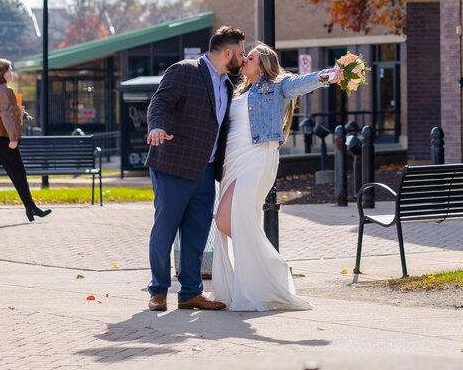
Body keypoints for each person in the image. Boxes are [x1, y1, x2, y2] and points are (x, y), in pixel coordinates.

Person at [211, 42, 340, 311]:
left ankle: (274, 269)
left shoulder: (277, 86)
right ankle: (262, 273)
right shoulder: (236, 90)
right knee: (225, 220)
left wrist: (329, 74)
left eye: (251, 57)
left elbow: (303, 82)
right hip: (233, 161)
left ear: (264, 64)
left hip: (258, 157)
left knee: (228, 219)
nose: (245, 59)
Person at [145, 26, 246, 313]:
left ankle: (190, 292)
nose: (243, 56)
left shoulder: (228, 84)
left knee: (196, 233)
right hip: (173, 166)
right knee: (165, 231)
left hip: (206, 170)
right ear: (227, 53)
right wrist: (157, 126)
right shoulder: (184, 70)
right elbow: (159, 102)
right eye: (240, 52)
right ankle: (159, 292)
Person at [0, 59, 51, 225]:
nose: (12, 73)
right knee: (19, 173)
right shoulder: (5, 90)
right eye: (10, 70)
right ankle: (31, 207)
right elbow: (5, 115)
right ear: (3, 72)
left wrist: (18, 111)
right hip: (1, 138)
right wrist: (13, 138)